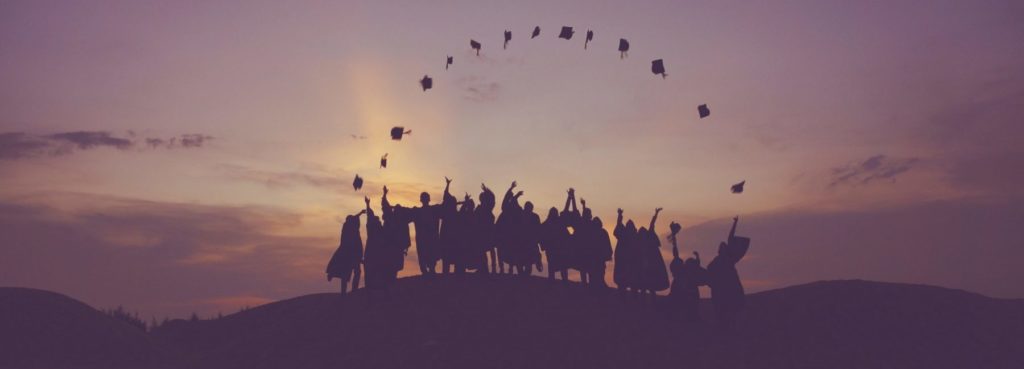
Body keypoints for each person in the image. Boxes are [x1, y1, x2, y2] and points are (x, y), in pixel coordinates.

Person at [707, 216, 747, 328]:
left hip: (730, 288)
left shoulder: (728, 259)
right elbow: (709, 273)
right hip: (722, 290)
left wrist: (735, 223)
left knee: (731, 310)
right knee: (723, 311)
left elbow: (730, 238)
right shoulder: (717, 262)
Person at [666, 222, 706, 321]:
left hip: (687, 293)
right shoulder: (681, 272)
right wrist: (674, 238)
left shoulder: (687, 272)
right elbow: (676, 253)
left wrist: (697, 257)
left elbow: (696, 265)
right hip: (680, 293)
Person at [410, 178, 448, 275]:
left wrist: (447, 187)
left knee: (430, 255)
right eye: (424, 198)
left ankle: (430, 270)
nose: (425, 200)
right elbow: (445, 205)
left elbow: (445, 205)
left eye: (425, 198)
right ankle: (427, 271)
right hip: (424, 238)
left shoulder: (432, 210)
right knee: (424, 255)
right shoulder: (418, 211)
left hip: (430, 237)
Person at [326, 209, 366, 294]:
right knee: (345, 274)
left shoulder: (354, 231)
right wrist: (360, 213)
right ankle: (345, 292)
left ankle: (353, 290)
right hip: (348, 255)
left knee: (356, 272)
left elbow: (354, 218)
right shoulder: (347, 228)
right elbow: (354, 218)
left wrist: (360, 213)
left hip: (355, 255)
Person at [636, 208, 670, 297]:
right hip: (644, 268)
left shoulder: (649, 241)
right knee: (645, 287)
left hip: (651, 267)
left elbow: (652, 224)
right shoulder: (640, 246)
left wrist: (656, 214)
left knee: (650, 287)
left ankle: (650, 300)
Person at [540, 207, 570, 281]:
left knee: (562, 266)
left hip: (560, 248)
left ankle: (562, 281)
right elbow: (541, 235)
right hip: (552, 249)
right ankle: (553, 281)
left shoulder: (559, 223)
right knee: (553, 266)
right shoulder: (547, 224)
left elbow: (565, 211)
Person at [613, 209, 638, 292]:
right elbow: (619, 225)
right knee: (623, 283)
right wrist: (619, 215)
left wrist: (620, 215)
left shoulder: (633, 237)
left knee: (631, 283)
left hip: (630, 263)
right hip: (623, 262)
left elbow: (619, 225)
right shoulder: (624, 235)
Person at [476, 184, 498, 274]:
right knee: (484, 250)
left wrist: (486, 190)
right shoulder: (484, 208)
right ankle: (485, 268)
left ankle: (491, 268)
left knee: (488, 250)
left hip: (487, 232)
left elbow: (492, 197)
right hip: (483, 232)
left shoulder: (487, 208)